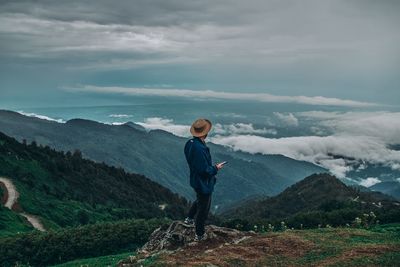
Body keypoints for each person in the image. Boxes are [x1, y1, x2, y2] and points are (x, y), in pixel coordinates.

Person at [183, 118, 226, 241]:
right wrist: (216, 168)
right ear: (205, 133)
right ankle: (199, 234)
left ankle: (189, 218)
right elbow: (204, 171)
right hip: (203, 182)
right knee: (204, 208)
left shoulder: (190, 143)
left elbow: (195, 164)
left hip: (195, 179)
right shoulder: (200, 148)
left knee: (200, 199)